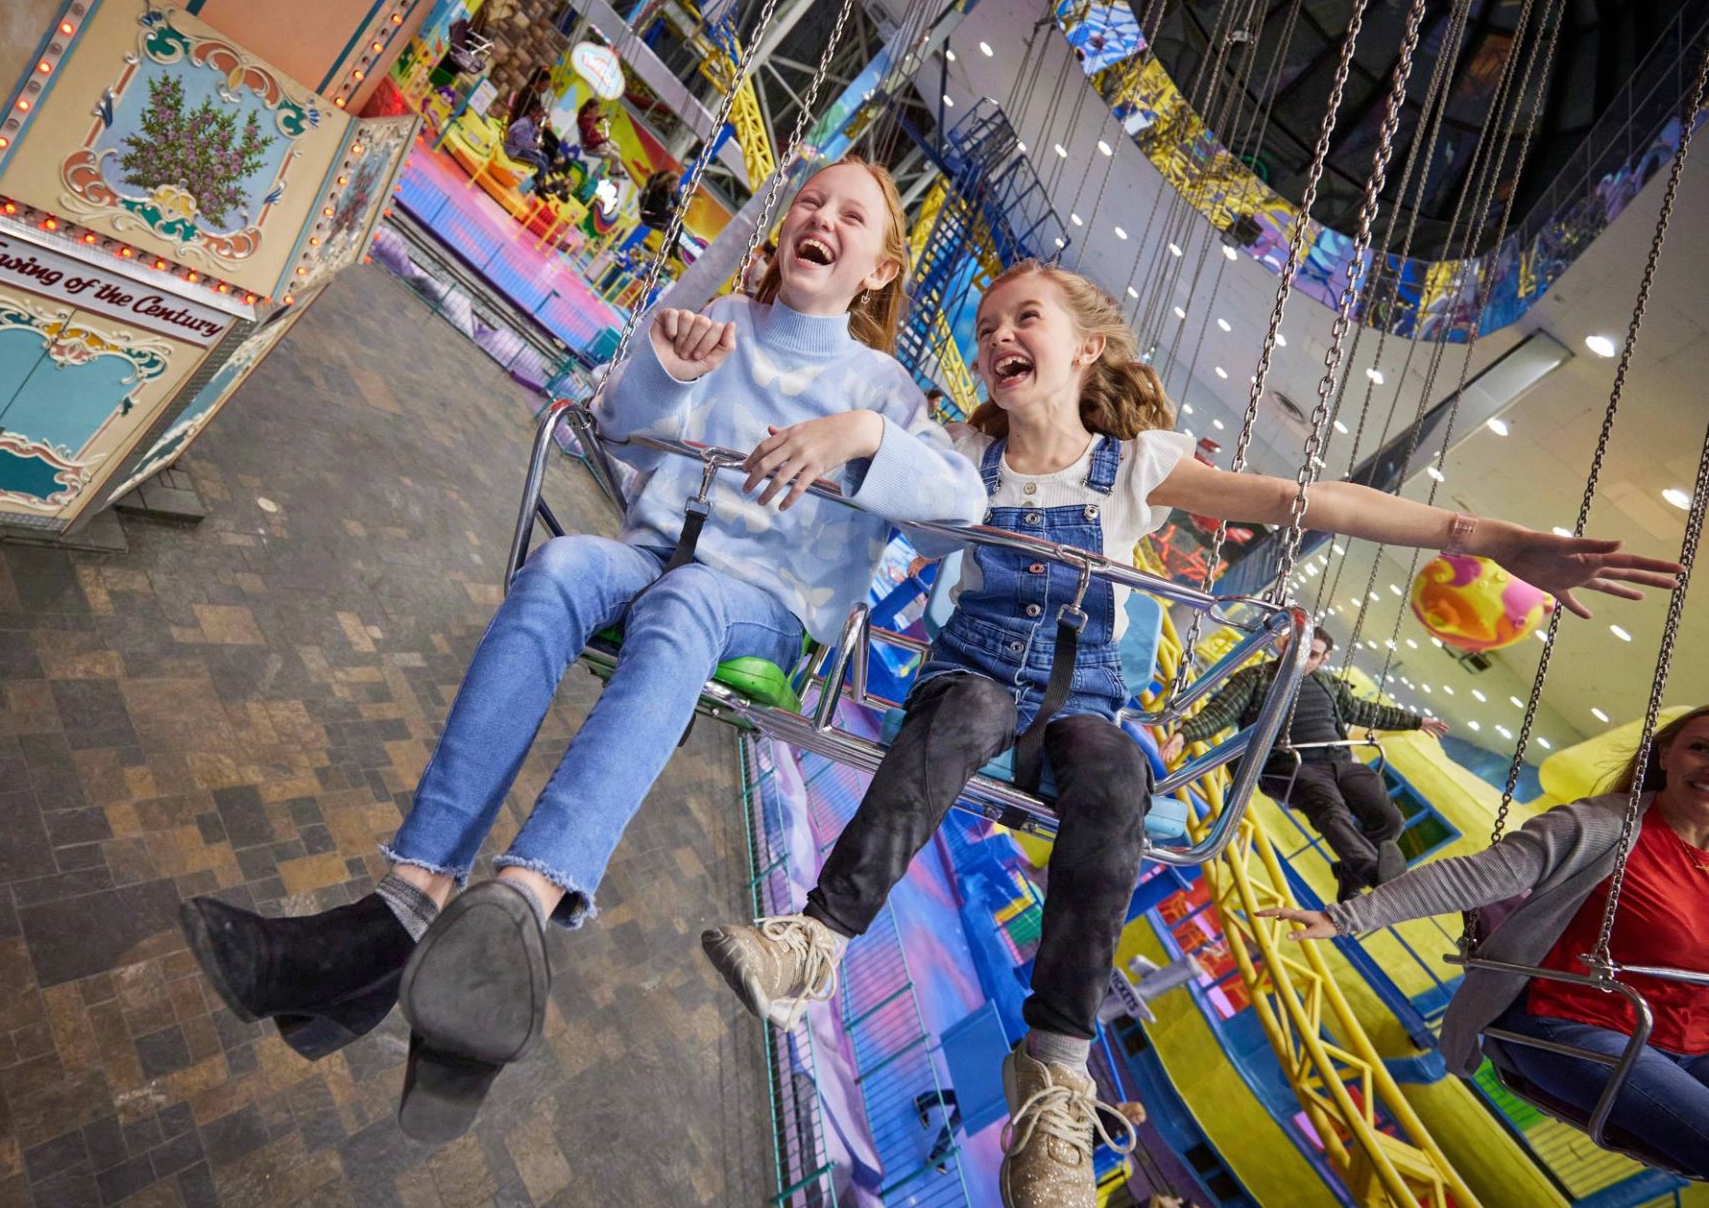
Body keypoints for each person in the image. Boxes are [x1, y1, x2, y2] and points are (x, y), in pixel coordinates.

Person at [700, 258, 1681, 1207]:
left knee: (1115, 769)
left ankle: (1054, 1075)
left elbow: (1315, 504)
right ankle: (816, 938)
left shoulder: (1135, 465)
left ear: (1085, 351)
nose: (999, 333)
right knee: (970, 710)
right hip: (974, 672)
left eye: (1024, 317)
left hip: (1083, 699)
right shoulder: (962, 457)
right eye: (987, 323)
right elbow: (862, 473)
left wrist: (1493, 540)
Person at [178, 157, 987, 1145]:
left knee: (689, 601)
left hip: (762, 608)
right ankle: (403, 908)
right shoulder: (723, 321)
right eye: (812, 201)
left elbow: (961, 515)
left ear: (878, 269)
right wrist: (666, 370)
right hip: (653, 560)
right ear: (783, 228)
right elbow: (620, 430)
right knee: (563, 565)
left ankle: (521, 902)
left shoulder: (886, 390)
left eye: (853, 216)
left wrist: (859, 437)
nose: (823, 217)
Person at [1262, 705, 1709, 1179]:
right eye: (1699, 748)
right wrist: (1347, 916)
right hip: (1580, 1022)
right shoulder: (1605, 828)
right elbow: (1479, 876)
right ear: (1665, 755)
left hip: (1692, 1037)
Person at [1159, 626, 1449, 901]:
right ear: (1284, 644)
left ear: (1323, 660)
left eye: (1311, 654)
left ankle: (1350, 874)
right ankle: (1370, 871)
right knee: (1330, 809)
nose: (1301, 657)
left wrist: (1416, 721)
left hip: (1339, 759)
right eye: (1298, 648)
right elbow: (1221, 712)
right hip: (1291, 766)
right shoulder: (1255, 678)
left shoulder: (1328, 684)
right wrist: (1185, 735)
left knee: (1389, 819)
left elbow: (1364, 711)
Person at [504, 100, 562, 195]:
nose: (538, 119)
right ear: (531, 112)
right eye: (538, 116)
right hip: (514, 150)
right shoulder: (524, 124)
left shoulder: (530, 122)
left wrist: (538, 134)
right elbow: (520, 143)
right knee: (542, 165)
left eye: (540, 117)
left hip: (521, 148)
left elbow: (534, 133)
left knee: (545, 157)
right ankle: (536, 187)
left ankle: (539, 182)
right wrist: (534, 145)